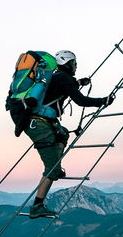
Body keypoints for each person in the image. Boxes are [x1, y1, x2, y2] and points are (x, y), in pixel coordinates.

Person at [25, 50, 115, 219]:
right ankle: (37, 205)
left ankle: (56, 168)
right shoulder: (64, 79)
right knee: (51, 168)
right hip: (41, 124)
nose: (75, 66)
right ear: (67, 63)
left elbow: (60, 88)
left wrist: (79, 82)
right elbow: (81, 101)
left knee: (63, 134)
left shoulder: (54, 76)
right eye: (74, 63)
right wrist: (104, 101)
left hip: (39, 121)